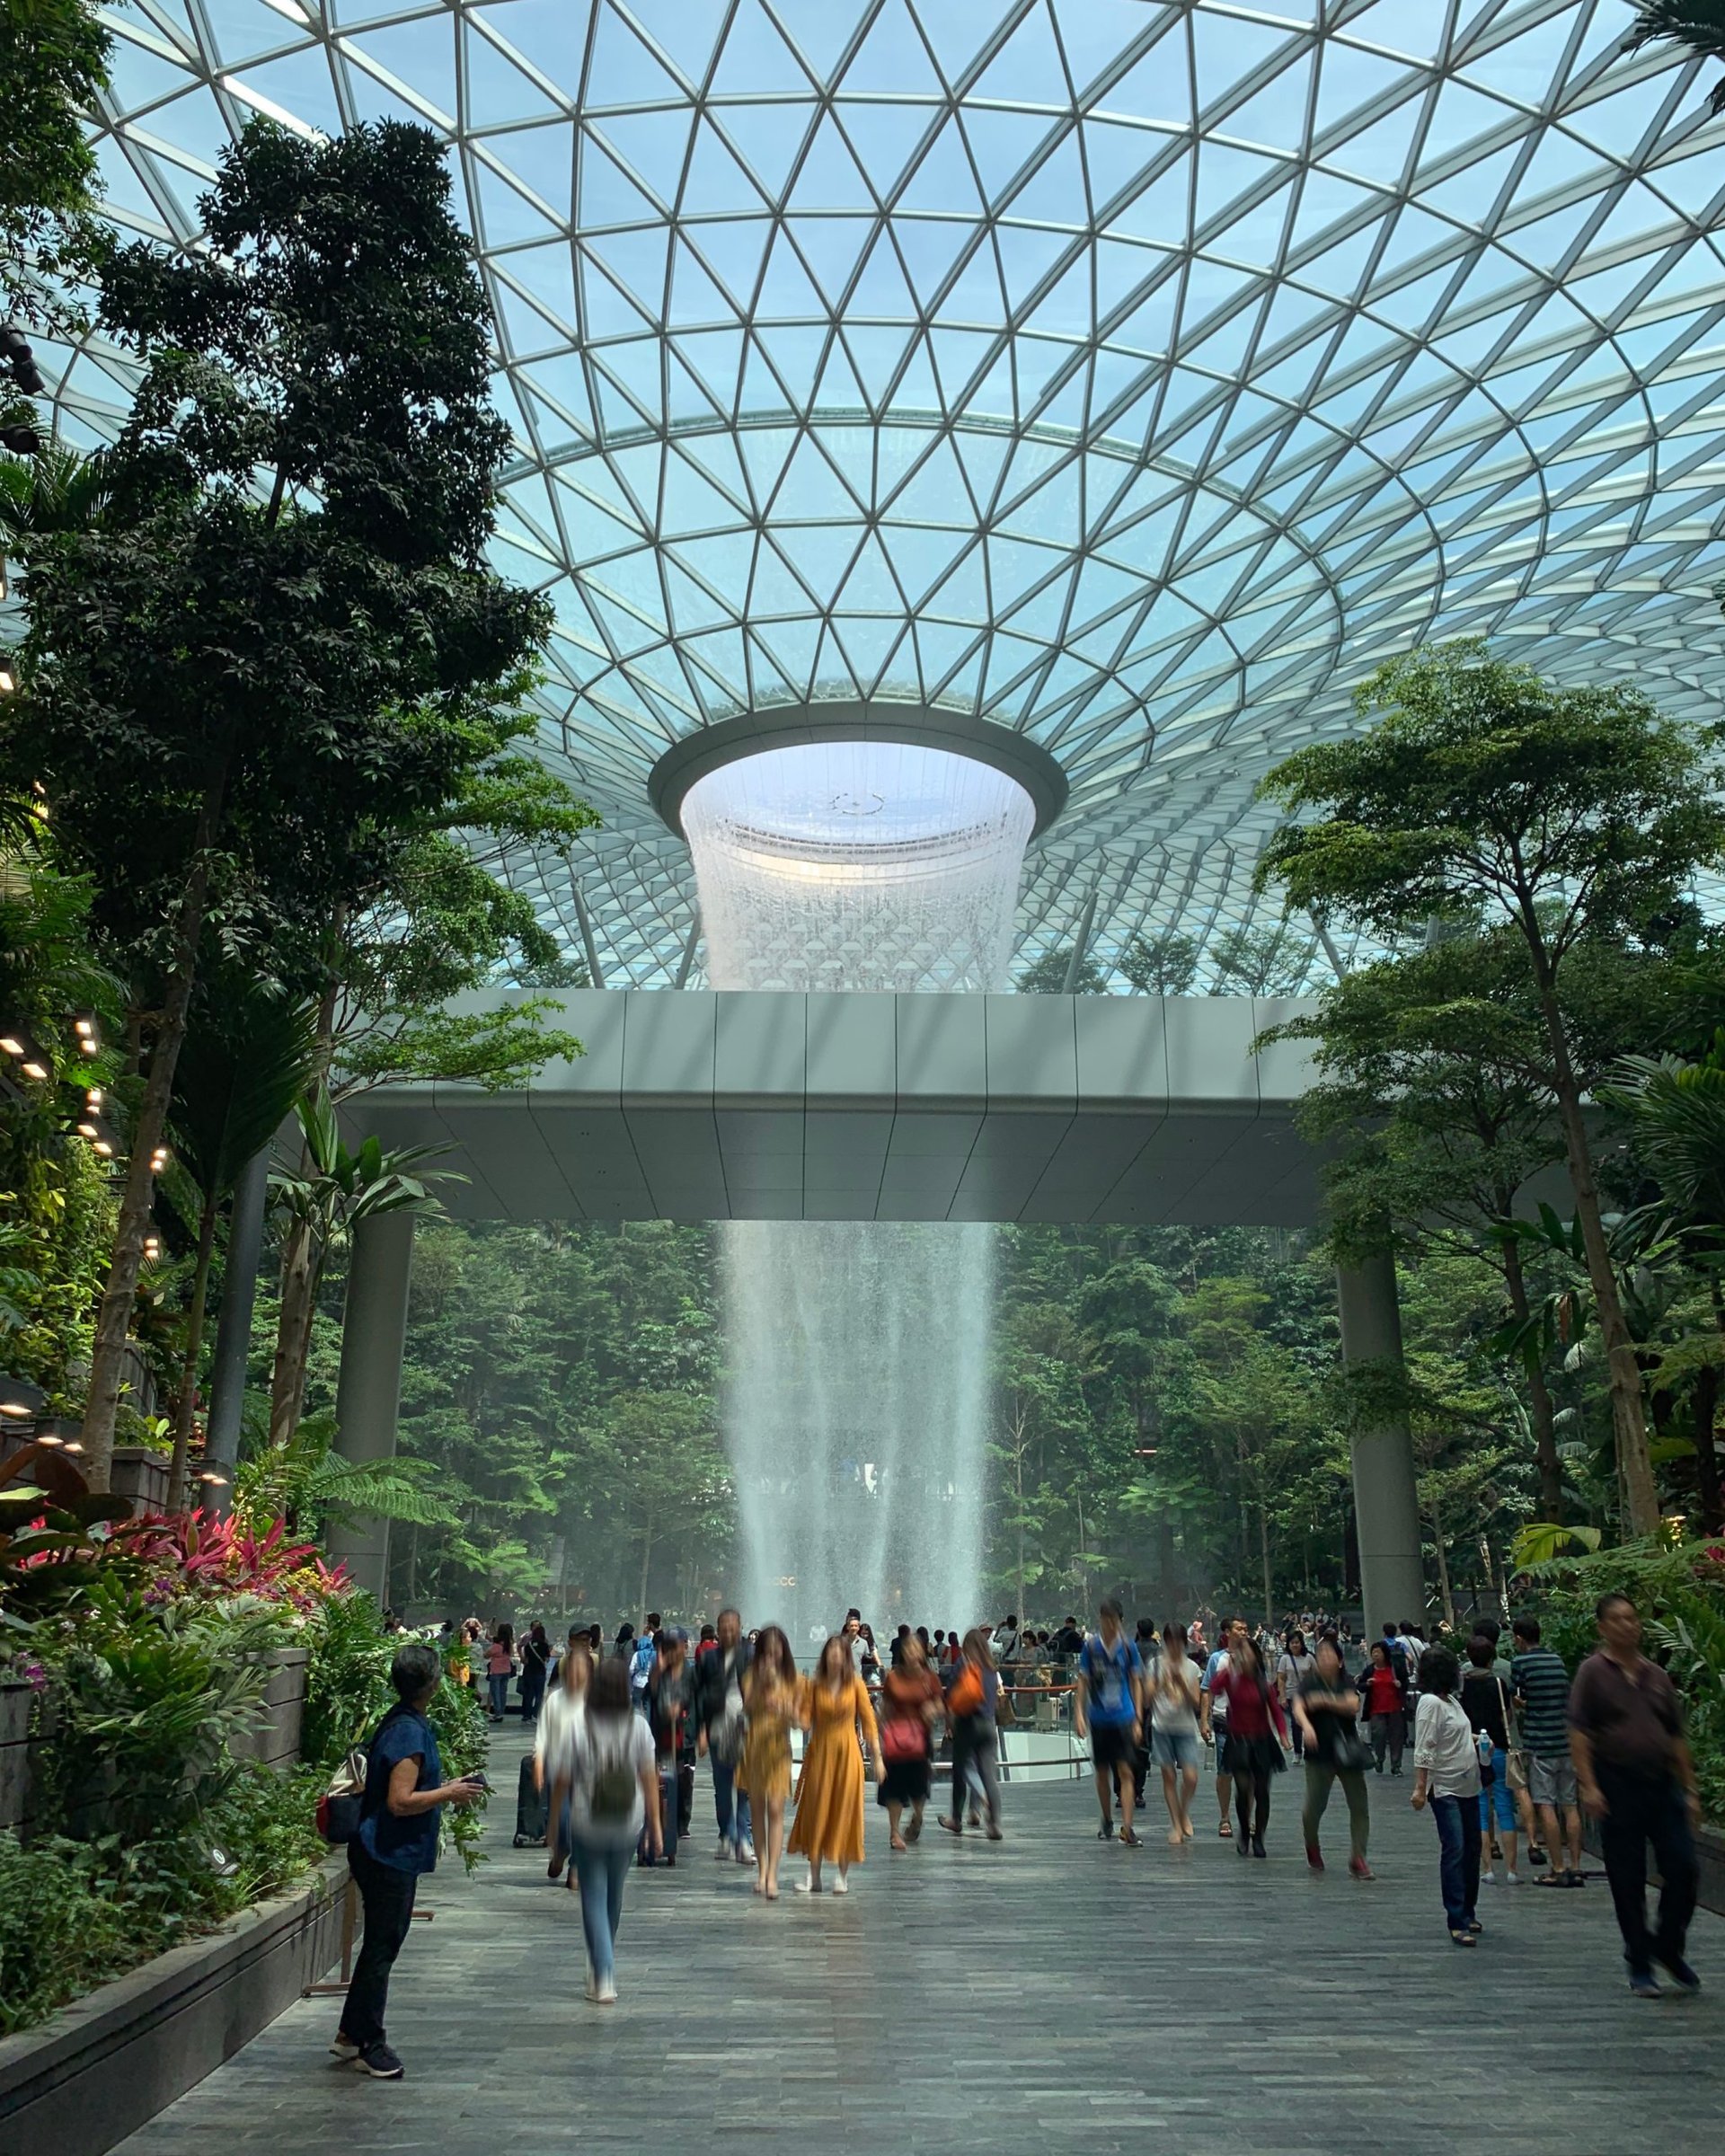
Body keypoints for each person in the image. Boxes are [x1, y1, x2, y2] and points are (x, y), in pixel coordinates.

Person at [332, 1642, 482, 2077]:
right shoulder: (409, 1733)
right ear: (432, 1684)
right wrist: (449, 1793)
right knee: (382, 1947)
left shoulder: (401, 1722)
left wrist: (446, 1785)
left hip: (384, 1850)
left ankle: (349, 2034)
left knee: (380, 1945)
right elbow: (400, 1801)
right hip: (387, 1853)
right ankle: (369, 2043)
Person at [1569, 1591, 1703, 1997]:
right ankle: (1639, 1960)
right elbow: (1579, 1732)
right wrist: (1589, 1785)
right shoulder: (1593, 1672)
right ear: (1603, 1627)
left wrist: (1690, 1788)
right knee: (1626, 1878)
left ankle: (1667, 1944)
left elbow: (1675, 1735)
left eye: (1633, 1618)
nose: (1630, 1625)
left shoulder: (1656, 1676)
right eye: (1620, 1619)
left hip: (1661, 1786)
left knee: (1684, 1868)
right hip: (1617, 1785)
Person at [558, 1654, 661, 2004]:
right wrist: (656, 1827)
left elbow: (563, 1780)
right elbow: (650, 1781)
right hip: (627, 1824)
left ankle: (602, 1972)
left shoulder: (578, 1726)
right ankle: (603, 1963)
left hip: (587, 1824)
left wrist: (554, 1820)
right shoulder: (639, 1728)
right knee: (614, 1895)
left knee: (593, 1897)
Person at [789, 1635, 882, 1893]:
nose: (834, 1656)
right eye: (830, 1652)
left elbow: (869, 1722)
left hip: (847, 1754)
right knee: (816, 1810)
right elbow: (806, 1722)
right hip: (821, 1753)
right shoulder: (815, 1686)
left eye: (838, 1652)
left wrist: (878, 1757)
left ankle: (842, 1875)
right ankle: (814, 1875)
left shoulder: (855, 1684)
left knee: (845, 1810)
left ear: (846, 1657)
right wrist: (793, 1709)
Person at [1411, 1645, 1483, 1947]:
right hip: (1446, 1787)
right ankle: (1456, 1917)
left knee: (1472, 1849)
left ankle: (1468, 1909)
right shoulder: (1430, 1704)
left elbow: (1457, 1735)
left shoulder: (1451, 1701)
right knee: (1454, 1848)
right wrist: (1420, 1787)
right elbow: (1424, 1747)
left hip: (1469, 1785)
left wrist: (1478, 1740)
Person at [1512, 1614, 1584, 1888]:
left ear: (1519, 1638)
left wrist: (1521, 1703)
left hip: (1540, 1742)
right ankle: (1576, 1866)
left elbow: (1516, 1693)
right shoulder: (1556, 1661)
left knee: (1545, 1804)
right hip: (1565, 1741)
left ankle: (1557, 1868)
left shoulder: (1521, 1662)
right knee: (1570, 1804)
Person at [1204, 1631, 1287, 1858]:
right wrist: (1230, 1670)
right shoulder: (1232, 1678)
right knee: (1243, 1790)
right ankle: (1243, 1831)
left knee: (1262, 1791)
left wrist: (1283, 1735)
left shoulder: (1263, 1684)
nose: (1245, 1657)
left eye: (1248, 1653)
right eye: (1242, 1653)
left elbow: (1275, 1711)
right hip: (1238, 1740)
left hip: (1262, 1742)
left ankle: (1259, 1836)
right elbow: (1214, 1686)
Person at [1296, 1633, 1371, 1878]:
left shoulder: (1346, 1680)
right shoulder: (1309, 1682)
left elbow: (1352, 1705)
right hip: (1319, 1755)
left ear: (1340, 1661)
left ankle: (1358, 1858)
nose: (1324, 1658)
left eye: (1329, 1654)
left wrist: (1323, 1701)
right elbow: (1298, 1706)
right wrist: (1307, 1726)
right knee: (1313, 1809)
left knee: (1359, 1806)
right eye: (1320, 1655)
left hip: (1347, 1753)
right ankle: (1312, 1845)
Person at [1074, 1595, 1145, 1846]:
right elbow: (1082, 1681)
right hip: (1099, 1718)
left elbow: (1136, 1681)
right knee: (1102, 1771)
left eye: (1113, 1620)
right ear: (1100, 1620)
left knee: (1126, 1771)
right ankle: (1106, 1817)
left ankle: (1128, 1826)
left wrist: (1138, 1717)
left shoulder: (1128, 1648)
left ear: (1121, 1621)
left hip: (1123, 1717)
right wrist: (1079, 1714)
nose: (1110, 1625)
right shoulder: (1091, 1648)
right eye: (1105, 1620)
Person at [740, 1625, 800, 1899]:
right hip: (755, 1747)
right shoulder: (750, 1675)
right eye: (767, 1653)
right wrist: (764, 1683)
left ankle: (773, 1874)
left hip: (778, 1749)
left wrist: (787, 1709)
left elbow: (800, 1720)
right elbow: (749, 1707)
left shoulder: (791, 1679)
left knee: (776, 1809)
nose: (772, 1659)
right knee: (758, 1810)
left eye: (776, 1653)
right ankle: (762, 1871)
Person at [695, 1605, 753, 1867]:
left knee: (744, 1786)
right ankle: (726, 1833)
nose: (729, 1633)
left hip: (744, 1728)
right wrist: (702, 1730)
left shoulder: (750, 1655)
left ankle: (744, 1838)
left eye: (733, 1628)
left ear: (740, 1627)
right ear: (718, 1631)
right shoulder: (708, 1660)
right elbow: (699, 1696)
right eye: (724, 1628)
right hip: (718, 1726)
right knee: (722, 1786)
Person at [1461, 1633, 1520, 1886]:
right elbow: (1507, 1715)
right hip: (1498, 1746)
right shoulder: (1498, 1683)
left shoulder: (1463, 1686)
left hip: (1473, 1749)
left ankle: (1487, 1869)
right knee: (1505, 1808)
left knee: (1481, 1809)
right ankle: (1512, 1870)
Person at [536, 1627, 592, 1881]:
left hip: (587, 1771)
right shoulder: (555, 1701)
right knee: (564, 1817)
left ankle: (578, 1866)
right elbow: (542, 1736)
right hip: (557, 1768)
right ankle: (561, 1851)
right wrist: (538, 1766)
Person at [879, 1632, 942, 1849]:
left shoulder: (930, 1678)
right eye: (908, 1649)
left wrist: (932, 1709)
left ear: (923, 1652)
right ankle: (894, 1832)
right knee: (893, 1787)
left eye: (916, 1649)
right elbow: (886, 1706)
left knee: (918, 1786)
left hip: (920, 1739)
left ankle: (917, 1816)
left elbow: (941, 1705)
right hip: (895, 1737)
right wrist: (879, 1731)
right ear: (903, 1653)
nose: (912, 1653)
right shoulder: (894, 1677)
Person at [938, 1628, 1004, 1840]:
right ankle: (993, 1825)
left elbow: (952, 1695)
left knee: (961, 1769)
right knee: (989, 1774)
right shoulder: (991, 1669)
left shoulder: (964, 1665)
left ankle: (956, 1819)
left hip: (967, 1724)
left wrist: (949, 1722)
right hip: (987, 1724)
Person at [1146, 1621, 1202, 1845]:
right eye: (1171, 1642)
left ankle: (1183, 1811)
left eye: (1179, 1642)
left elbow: (1196, 1703)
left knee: (1191, 1777)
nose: (1175, 1646)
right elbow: (1146, 1699)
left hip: (1186, 1727)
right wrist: (1160, 1683)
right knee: (1168, 1776)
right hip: (1161, 1726)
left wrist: (1182, 1684)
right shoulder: (1155, 1665)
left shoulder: (1191, 1667)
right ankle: (1176, 1824)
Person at [645, 1627, 694, 1865]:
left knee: (680, 1783)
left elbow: (696, 1702)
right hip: (660, 1740)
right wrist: (657, 1671)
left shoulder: (689, 1674)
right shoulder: (660, 1674)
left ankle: (676, 1828)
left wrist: (683, 1713)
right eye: (667, 1649)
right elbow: (649, 1696)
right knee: (659, 1787)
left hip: (681, 1740)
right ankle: (656, 1834)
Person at [1200, 1615, 1247, 1836]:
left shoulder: (1251, 1658)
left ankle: (1247, 1816)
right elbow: (1206, 1689)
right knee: (1225, 1771)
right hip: (1223, 1721)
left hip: (1248, 1721)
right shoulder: (1216, 1659)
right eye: (1239, 1629)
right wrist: (1204, 1720)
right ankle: (1225, 1816)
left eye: (1245, 1629)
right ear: (1228, 1633)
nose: (1244, 1632)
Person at [1359, 1639, 1410, 1775]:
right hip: (1376, 1709)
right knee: (1379, 1735)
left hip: (1395, 1708)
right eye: (1373, 1652)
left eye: (1378, 1652)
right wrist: (1367, 1684)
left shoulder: (1394, 1668)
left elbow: (1405, 1682)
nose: (1375, 1655)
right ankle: (1380, 1758)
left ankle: (1396, 1765)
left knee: (1396, 1737)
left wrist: (1400, 1684)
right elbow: (1360, 1686)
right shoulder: (1369, 1670)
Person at [1276, 1630, 1316, 1763]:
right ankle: (1298, 1751)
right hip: (1291, 1694)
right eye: (1292, 1643)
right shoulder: (1285, 1659)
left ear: (1301, 1643)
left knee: (1308, 1722)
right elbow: (1281, 1679)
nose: (1295, 1645)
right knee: (1296, 1723)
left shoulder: (1309, 1658)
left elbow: (1316, 1675)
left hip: (1307, 1695)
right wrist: (1282, 1696)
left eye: (1297, 1642)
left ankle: (1310, 1750)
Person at [519, 1621, 551, 1727]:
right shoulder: (544, 1645)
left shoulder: (528, 1645)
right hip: (540, 1672)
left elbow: (526, 1659)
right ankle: (535, 1715)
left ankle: (527, 1715)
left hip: (529, 1672)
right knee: (539, 1695)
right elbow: (547, 1659)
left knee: (529, 1694)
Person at [485, 1624, 515, 1721]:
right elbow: (512, 1653)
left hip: (496, 1672)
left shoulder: (496, 1646)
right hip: (506, 1671)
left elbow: (486, 1655)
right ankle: (501, 1712)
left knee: (495, 1693)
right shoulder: (509, 1645)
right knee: (503, 1693)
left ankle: (497, 1714)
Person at [630, 1615, 660, 1710]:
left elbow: (631, 1669)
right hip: (649, 1682)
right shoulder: (653, 1654)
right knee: (647, 1706)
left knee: (636, 1707)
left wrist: (632, 1677)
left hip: (637, 1682)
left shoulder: (637, 1654)